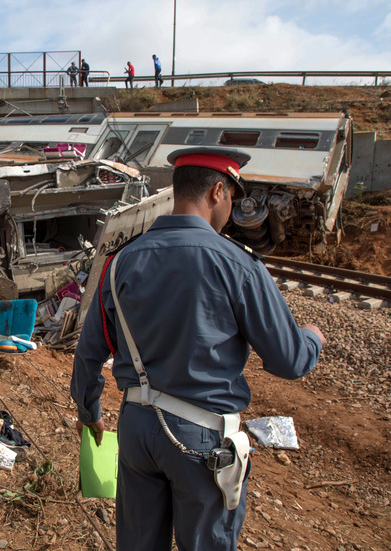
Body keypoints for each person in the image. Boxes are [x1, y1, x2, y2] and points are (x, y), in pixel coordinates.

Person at [70, 146, 326, 551]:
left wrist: (89, 409)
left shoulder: (120, 262)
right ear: (218, 191)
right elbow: (289, 360)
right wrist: (312, 338)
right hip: (202, 439)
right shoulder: (239, 266)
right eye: (232, 199)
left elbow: (90, 349)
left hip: (137, 428)